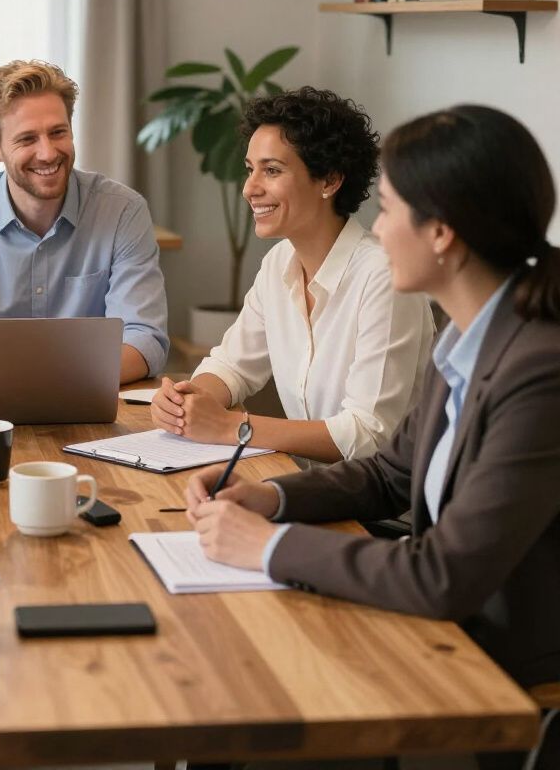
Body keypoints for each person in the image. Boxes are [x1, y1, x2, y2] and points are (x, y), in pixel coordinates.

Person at [187, 105, 560, 770]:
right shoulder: (469, 338)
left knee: (258, 692)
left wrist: (269, 547)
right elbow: (389, 472)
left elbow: (443, 575)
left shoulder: (540, 372)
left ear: (442, 232)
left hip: (502, 641)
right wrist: (269, 499)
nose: (376, 231)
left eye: (387, 211)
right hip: (448, 608)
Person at [152, 87, 434, 463]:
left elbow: (368, 435)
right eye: (250, 169)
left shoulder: (384, 276)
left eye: (272, 170)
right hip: (311, 487)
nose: (250, 188)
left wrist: (230, 427)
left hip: (382, 511)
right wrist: (186, 400)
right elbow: (232, 365)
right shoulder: (278, 263)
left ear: (330, 180)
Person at [0, 59, 169, 388]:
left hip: (87, 401)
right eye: (27, 139)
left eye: (58, 132)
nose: (48, 153)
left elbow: (145, 337)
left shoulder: (123, 211)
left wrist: (50, 383)